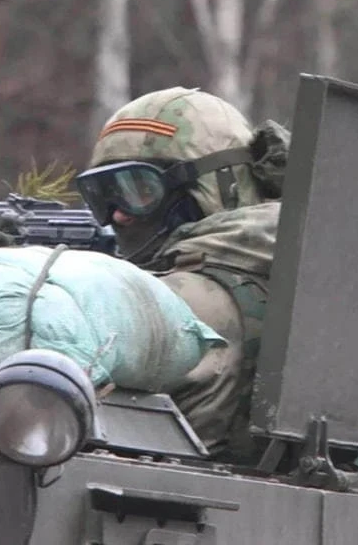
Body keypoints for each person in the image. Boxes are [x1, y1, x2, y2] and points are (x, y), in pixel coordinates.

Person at [76, 86, 289, 464]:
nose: (118, 215)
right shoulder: (287, 262)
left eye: (138, 189)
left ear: (219, 186)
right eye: (103, 194)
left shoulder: (187, 299)